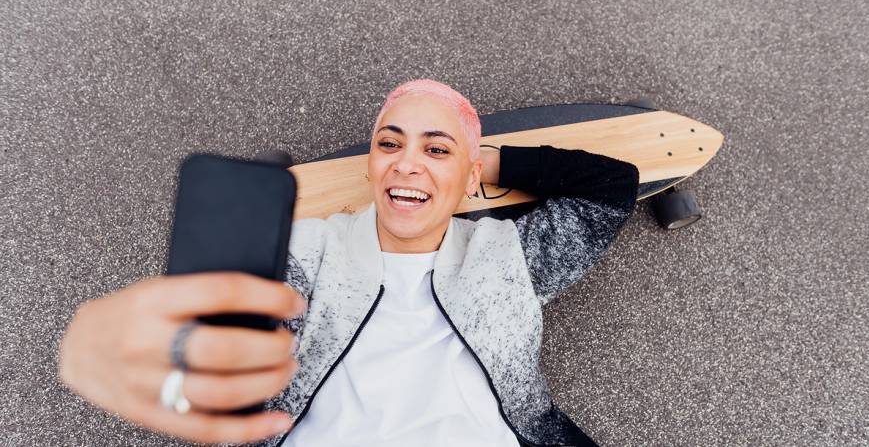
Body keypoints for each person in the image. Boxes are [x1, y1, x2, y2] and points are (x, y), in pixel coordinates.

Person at [58, 79, 640, 447]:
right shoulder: (308, 251)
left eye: (434, 148)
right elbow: (227, 333)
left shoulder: (508, 255)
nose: (406, 163)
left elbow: (612, 186)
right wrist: (162, 355)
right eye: (390, 144)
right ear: (370, 165)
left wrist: (486, 161)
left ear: (471, 178)